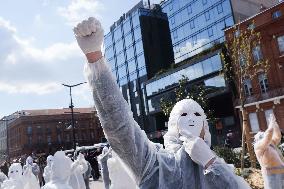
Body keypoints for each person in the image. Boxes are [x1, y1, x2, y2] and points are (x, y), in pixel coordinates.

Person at [74, 17, 251, 189]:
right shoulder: (157, 166)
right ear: (173, 125)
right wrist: (95, 59)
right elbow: (120, 128)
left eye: (197, 114)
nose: (191, 119)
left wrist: (210, 162)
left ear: (206, 126)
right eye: (183, 114)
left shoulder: (222, 169)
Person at [254, 113, 284, 189]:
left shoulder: (271, 143)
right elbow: (267, 137)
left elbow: (278, 136)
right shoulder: (258, 146)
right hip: (271, 177)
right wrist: (271, 125)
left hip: (282, 174)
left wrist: (275, 124)